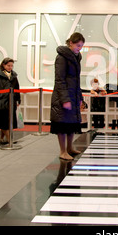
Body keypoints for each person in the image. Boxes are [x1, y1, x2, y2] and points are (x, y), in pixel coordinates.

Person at [50, 32, 85, 160]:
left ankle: (70, 148)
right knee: (62, 124)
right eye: (78, 45)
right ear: (71, 43)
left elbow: (76, 80)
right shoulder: (62, 58)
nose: (79, 48)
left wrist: (80, 97)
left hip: (73, 95)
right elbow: (59, 80)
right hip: (62, 96)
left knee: (71, 124)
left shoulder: (76, 57)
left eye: (81, 46)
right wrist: (65, 99)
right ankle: (63, 151)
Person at [0, 57, 21, 145]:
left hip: (11, 101)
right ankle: (9, 139)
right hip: (1, 102)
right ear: (3, 65)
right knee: (3, 121)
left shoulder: (14, 76)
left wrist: (18, 99)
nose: (10, 67)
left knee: (7, 121)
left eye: (11, 66)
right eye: (8, 65)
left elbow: (17, 88)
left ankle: (2, 138)